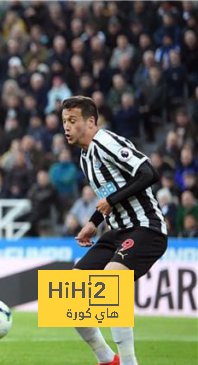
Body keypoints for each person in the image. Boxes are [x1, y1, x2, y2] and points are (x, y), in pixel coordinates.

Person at [62, 96, 168, 365]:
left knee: (112, 283)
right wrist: (93, 222)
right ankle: (108, 359)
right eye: (64, 121)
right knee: (72, 293)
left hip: (146, 228)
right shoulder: (85, 156)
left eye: (72, 121)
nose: (67, 127)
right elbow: (110, 193)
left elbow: (148, 173)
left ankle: (130, 363)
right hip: (116, 233)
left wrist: (108, 202)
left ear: (91, 122)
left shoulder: (106, 142)